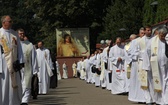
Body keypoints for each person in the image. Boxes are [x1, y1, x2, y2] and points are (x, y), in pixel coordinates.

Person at [0, 15, 24, 105]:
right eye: (9, 21)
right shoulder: (0, 33)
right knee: (4, 85)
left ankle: (13, 102)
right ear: (3, 22)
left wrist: (20, 61)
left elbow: (19, 49)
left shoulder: (15, 34)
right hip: (3, 63)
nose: (11, 23)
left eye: (11, 21)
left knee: (14, 84)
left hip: (14, 62)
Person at [142, 26, 168, 105]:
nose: (163, 37)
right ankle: (159, 100)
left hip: (166, 66)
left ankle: (166, 100)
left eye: (164, 35)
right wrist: (146, 66)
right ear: (158, 34)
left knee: (166, 81)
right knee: (157, 82)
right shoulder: (153, 41)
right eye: (161, 35)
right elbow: (147, 53)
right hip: (155, 66)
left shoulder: (166, 40)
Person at [17, 28, 39, 105]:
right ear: (17, 34)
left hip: (27, 67)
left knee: (27, 84)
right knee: (18, 85)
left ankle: (25, 101)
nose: (22, 35)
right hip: (17, 68)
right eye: (20, 33)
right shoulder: (15, 44)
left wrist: (35, 70)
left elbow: (34, 58)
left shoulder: (29, 45)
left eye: (23, 33)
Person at [127, 27, 146, 103]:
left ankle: (145, 97)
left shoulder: (148, 40)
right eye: (142, 33)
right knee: (137, 80)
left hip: (144, 63)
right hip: (136, 63)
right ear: (139, 33)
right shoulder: (134, 41)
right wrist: (137, 55)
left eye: (144, 33)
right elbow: (130, 52)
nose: (143, 34)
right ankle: (137, 97)